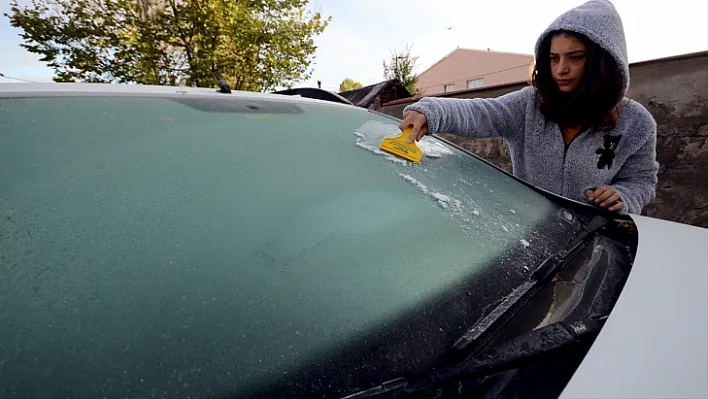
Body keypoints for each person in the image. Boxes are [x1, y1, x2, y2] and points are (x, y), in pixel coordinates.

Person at [399, 0, 659, 215]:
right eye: (553, 58)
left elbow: (641, 180)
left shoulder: (637, 124)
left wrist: (623, 196)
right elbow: (481, 112)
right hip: (528, 232)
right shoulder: (529, 105)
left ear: (603, 62)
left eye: (575, 57)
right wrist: (429, 110)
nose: (561, 69)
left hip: (591, 242)